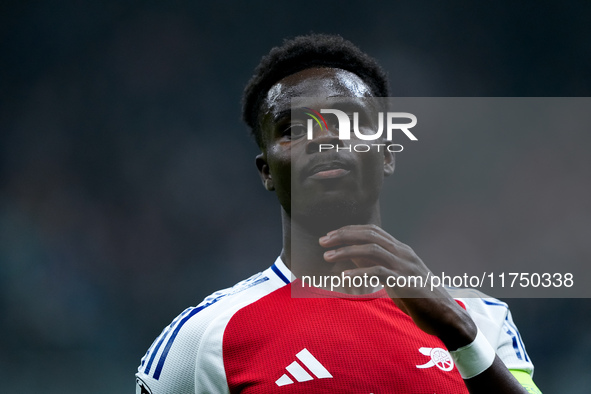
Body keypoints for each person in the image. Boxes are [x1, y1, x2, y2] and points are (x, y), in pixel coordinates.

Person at [136, 34, 541, 393]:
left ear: (385, 153)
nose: (324, 139)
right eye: (293, 129)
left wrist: (462, 338)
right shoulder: (205, 339)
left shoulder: (479, 319)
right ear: (266, 173)